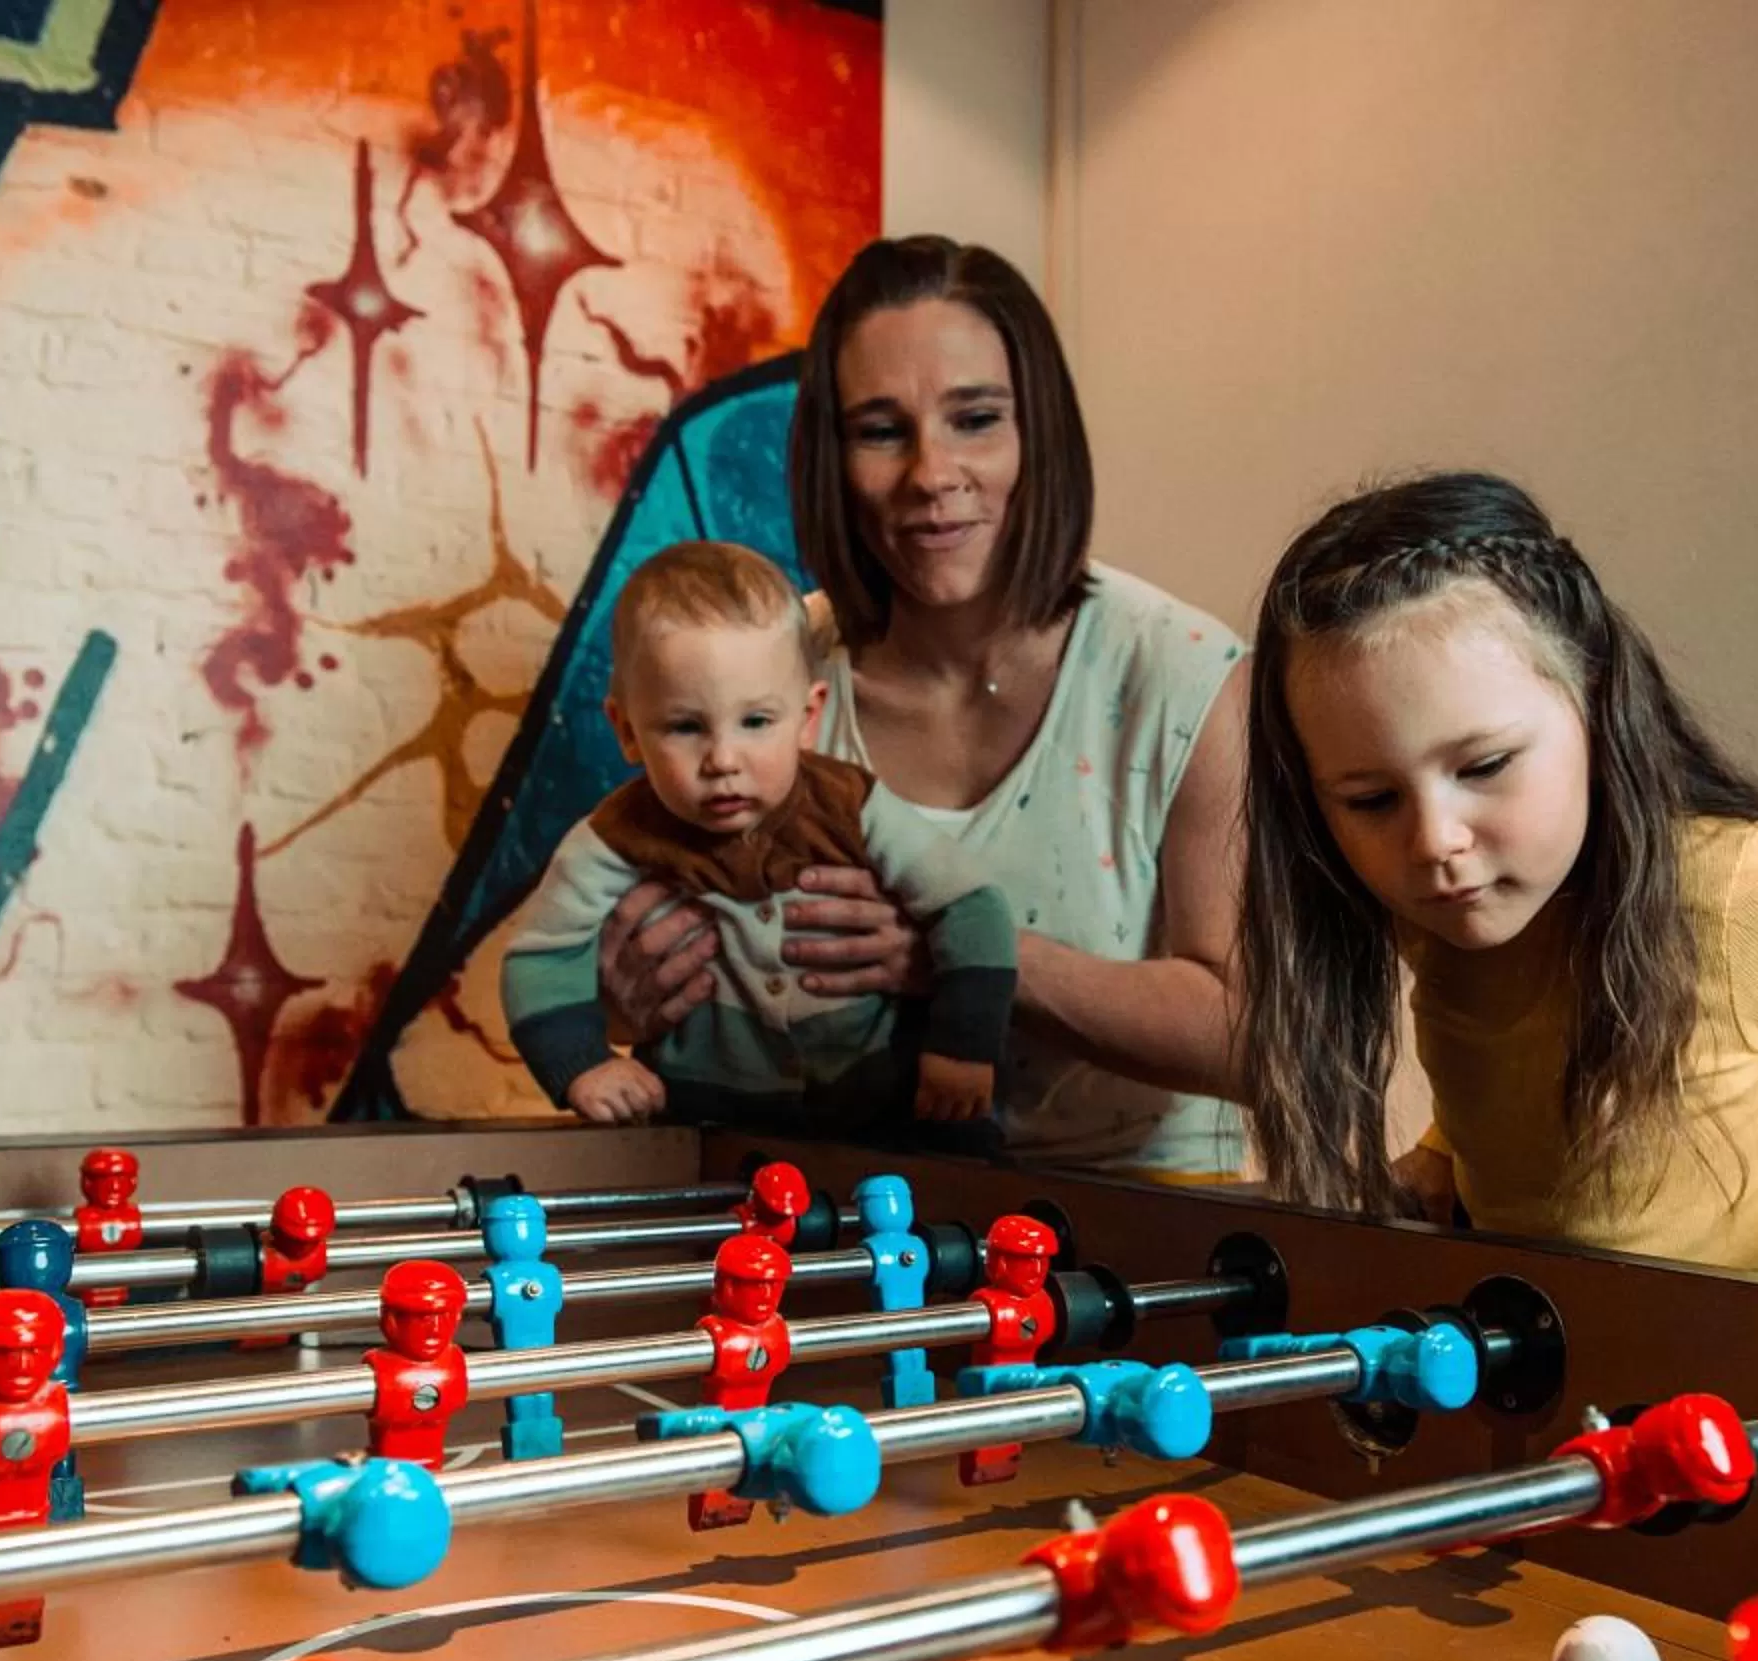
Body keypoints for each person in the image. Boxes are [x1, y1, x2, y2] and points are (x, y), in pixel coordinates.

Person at [1233, 471, 1758, 1300]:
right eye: (1371, 800)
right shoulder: (1443, 911)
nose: (1433, 841)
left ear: (1595, 699)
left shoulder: (1743, 895)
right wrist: (1446, 1152)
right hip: (1562, 1366)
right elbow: (1532, 1068)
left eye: (1484, 766)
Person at [595, 236, 1249, 1178]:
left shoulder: (1184, 676)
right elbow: (658, 958)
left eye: (975, 418)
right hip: (839, 1219)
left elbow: (1257, 1042)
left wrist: (965, 957)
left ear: (1039, 435)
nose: (932, 473)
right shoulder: (768, 673)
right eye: (880, 430)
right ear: (833, 455)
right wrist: (624, 996)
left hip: (1152, 1228)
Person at [503, 540, 1015, 1153]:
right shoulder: (616, 836)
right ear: (627, 731)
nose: (723, 761)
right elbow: (540, 957)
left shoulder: (851, 805)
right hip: (705, 1111)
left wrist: (961, 1048)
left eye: (756, 722)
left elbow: (973, 905)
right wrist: (583, 1063)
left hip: (882, 1096)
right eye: (685, 727)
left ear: (808, 715)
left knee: (961, 1170)